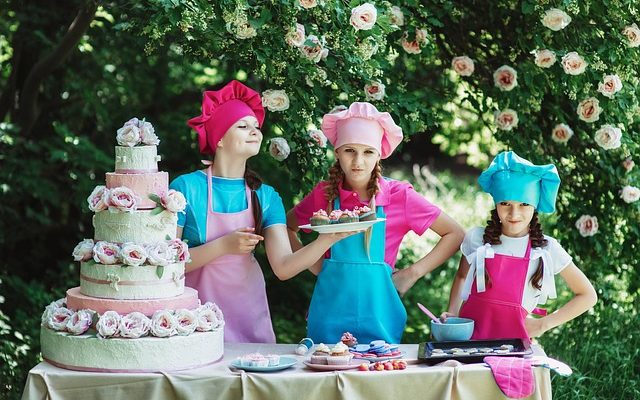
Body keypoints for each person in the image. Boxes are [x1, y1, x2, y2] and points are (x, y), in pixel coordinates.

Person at [170, 80, 353, 343]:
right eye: (243, 126)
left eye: (256, 126)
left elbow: (284, 267)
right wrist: (224, 246)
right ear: (219, 139)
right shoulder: (185, 188)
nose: (255, 131)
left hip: (247, 314)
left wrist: (329, 238)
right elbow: (166, 266)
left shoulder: (266, 196)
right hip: (194, 319)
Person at [287, 102, 465, 344]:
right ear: (337, 152)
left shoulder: (399, 196)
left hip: (381, 318)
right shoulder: (325, 195)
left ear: (379, 154)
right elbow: (287, 226)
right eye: (349, 150)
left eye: (368, 152)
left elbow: (455, 233)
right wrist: (312, 262)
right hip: (328, 316)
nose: (358, 161)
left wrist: (412, 273)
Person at [441, 151, 597, 342]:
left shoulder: (546, 249)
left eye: (524, 204)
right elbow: (462, 276)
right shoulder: (476, 238)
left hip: (513, 347)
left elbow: (588, 295)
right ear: (496, 204)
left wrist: (542, 324)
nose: (514, 213)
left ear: (535, 205)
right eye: (505, 203)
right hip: (468, 341)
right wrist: (453, 316)